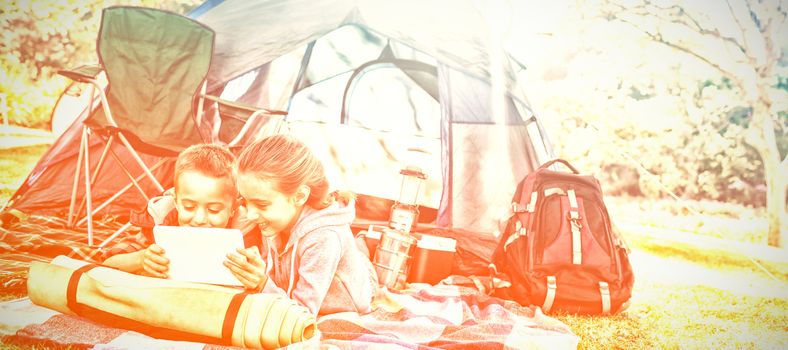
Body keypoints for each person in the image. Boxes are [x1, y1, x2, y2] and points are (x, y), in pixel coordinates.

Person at [224, 134, 377, 315]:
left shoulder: (324, 238)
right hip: (305, 273)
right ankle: (358, 249)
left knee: (364, 267)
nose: (250, 214)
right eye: (245, 202)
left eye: (261, 204)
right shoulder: (273, 221)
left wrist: (262, 284)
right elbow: (271, 272)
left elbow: (302, 313)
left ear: (299, 196)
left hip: (351, 296)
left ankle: (361, 248)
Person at [102, 143, 259, 277]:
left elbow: (262, 278)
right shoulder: (161, 223)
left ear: (234, 208)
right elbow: (106, 264)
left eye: (213, 210)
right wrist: (141, 259)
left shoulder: (246, 234)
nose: (199, 219)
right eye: (189, 207)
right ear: (176, 201)